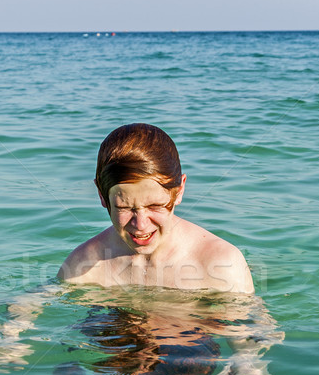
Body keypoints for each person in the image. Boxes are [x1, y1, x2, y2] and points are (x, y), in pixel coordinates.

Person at [57, 123, 254, 292]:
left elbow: (251, 331)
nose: (140, 225)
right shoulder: (85, 264)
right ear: (102, 195)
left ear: (179, 190)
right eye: (124, 207)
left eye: (155, 206)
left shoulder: (220, 263)